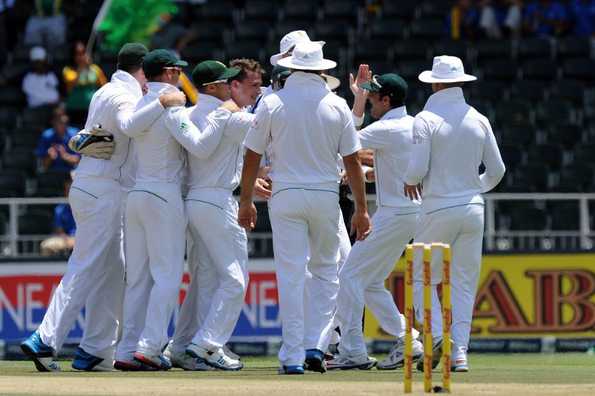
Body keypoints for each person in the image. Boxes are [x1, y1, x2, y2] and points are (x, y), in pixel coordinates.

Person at [21, 43, 186, 373]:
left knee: (114, 270)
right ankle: (45, 338)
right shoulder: (124, 95)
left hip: (93, 187)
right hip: (105, 191)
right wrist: (162, 101)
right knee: (86, 265)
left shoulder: (105, 90)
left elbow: (92, 136)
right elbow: (126, 125)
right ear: (140, 70)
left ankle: (94, 349)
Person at [238, 41, 371, 375]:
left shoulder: (272, 102)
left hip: (286, 195)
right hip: (325, 195)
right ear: (322, 70)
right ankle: (316, 344)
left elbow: (252, 154)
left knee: (291, 273)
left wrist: (244, 201)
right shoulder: (336, 104)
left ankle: (293, 354)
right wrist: (361, 209)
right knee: (327, 272)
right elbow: (353, 161)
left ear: (293, 67)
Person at [114, 49, 234, 370]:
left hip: (138, 195)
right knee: (167, 276)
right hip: (164, 195)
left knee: (138, 278)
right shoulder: (172, 102)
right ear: (168, 72)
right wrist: (220, 115)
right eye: (178, 71)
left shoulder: (140, 100)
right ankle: (150, 346)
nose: (181, 76)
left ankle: (127, 349)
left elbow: (126, 126)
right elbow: (198, 146)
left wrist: (157, 102)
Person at [403, 55, 505, 372]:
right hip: (474, 209)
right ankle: (459, 353)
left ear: (435, 82)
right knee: (463, 283)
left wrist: (409, 180)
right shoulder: (479, 118)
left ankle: (437, 338)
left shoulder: (426, 119)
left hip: (438, 206)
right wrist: (474, 189)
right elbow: (498, 169)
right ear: (461, 81)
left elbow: (417, 169)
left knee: (419, 275)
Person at [329, 67, 424, 371]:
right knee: (369, 282)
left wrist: (355, 100)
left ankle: (352, 350)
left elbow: (346, 144)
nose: (370, 100)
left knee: (349, 276)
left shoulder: (386, 129)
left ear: (386, 99)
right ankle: (408, 339)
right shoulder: (414, 125)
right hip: (410, 212)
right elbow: (391, 164)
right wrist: (366, 173)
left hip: (394, 213)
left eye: (372, 96)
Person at [164, 60, 246, 371]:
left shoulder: (193, 113)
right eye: (227, 83)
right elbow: (261, 131)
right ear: (212, 87)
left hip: (195, 200)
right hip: (216, 200)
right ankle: (207, 345)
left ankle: (183, 345)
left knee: (205, 281)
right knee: (235, 280)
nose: (231, 87)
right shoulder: (220, 113)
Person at [63, 41, 108, 126]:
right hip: (74, 110)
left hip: (92, 110)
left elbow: (104, 87)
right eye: (78, 54)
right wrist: (81, 67)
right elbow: (72, 83)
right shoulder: (68, 70)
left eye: (83, 53)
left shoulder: (95, 69)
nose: (81, 56)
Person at [36, 106, 80, 172]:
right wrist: (50, 157)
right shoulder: (46, 135)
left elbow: (79, 161)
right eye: (59, 121)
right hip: (52, 174)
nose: (62, 124)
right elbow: (44, 165)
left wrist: (64, 156)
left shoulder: (75, 134)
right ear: (53, 122)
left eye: (64, 121)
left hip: (72, 173)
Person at [40, 174, 75, 257]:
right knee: (46, 246)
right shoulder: (60, 209)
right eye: (67, 190)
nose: (69, 193)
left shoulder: (87, 207)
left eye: (72, 190)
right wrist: (67, 239)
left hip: (85, 239)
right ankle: (48, 270)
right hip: (66, 239)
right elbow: (59, 230)